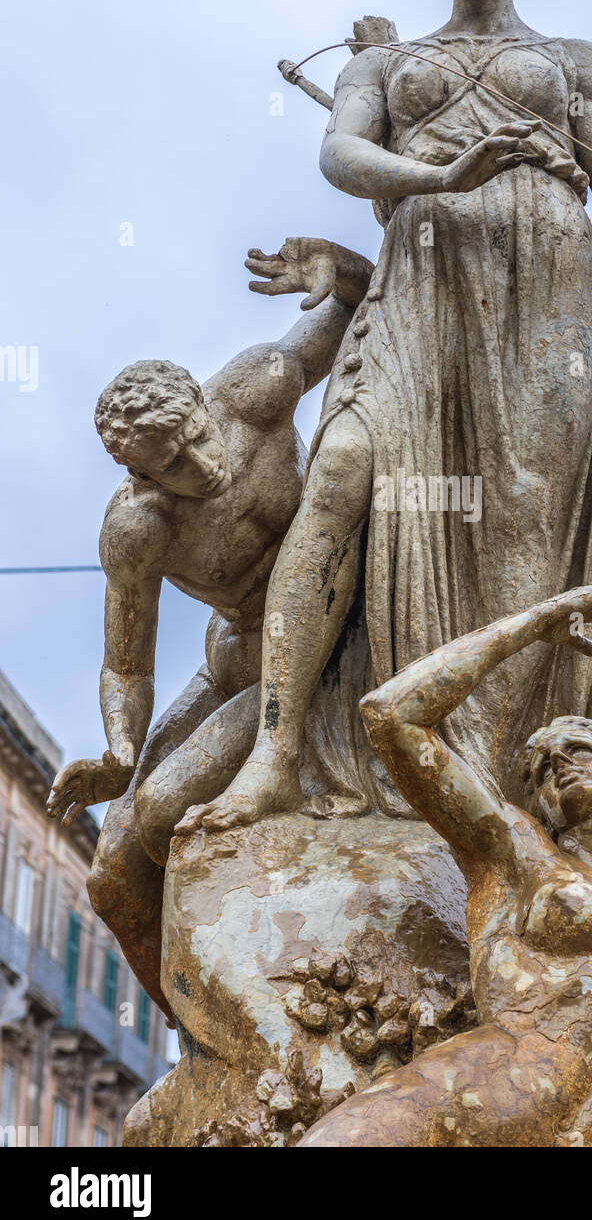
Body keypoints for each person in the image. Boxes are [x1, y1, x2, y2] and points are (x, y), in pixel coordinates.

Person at [176, 0, 592, 840]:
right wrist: (444, 171)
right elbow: (342, 155)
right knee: (344, 470)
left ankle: (506, 781)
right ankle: (275, 754)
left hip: (551, 291)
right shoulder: (383, 67)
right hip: (422, 280)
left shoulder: (578, 59)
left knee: (525, 533)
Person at [46, 238, 372, 1017]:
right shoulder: (138, 530)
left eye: (196, 434)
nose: (203, 462)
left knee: (163, 813)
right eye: (175, 464)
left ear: (201, 398)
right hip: (240, 656)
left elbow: (359, 307)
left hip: (334, 621)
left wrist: (337, 266)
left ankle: (261, 990)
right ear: (142, 476)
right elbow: (127, 664)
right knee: (119, 850)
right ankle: (202, 1026)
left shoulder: (257, 387)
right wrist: (120, 749)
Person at [299, 580, 592, 1147]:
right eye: (542, 771)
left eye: (579, 751)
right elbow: (390, 714)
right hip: (470, 1102)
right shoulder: (517, 848)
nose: (559, 767)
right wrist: (537, 623)